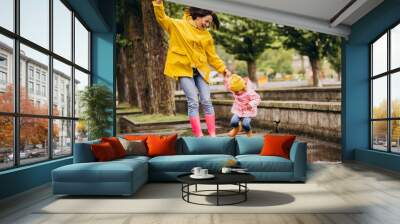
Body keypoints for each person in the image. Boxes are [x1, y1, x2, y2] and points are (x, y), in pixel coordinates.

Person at [152, 0, 232, 137]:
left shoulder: (206, 35)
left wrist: (223, 69)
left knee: (207, 100)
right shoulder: (178, 25)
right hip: (183, 69)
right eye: (206, 21)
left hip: (201, 70)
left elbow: (212, 56)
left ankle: (212, 134)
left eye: (209, 24)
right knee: (193, 101)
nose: (207, 25)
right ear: (198, 16)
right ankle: (199, 135)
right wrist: (158, 5)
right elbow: (162, 18)